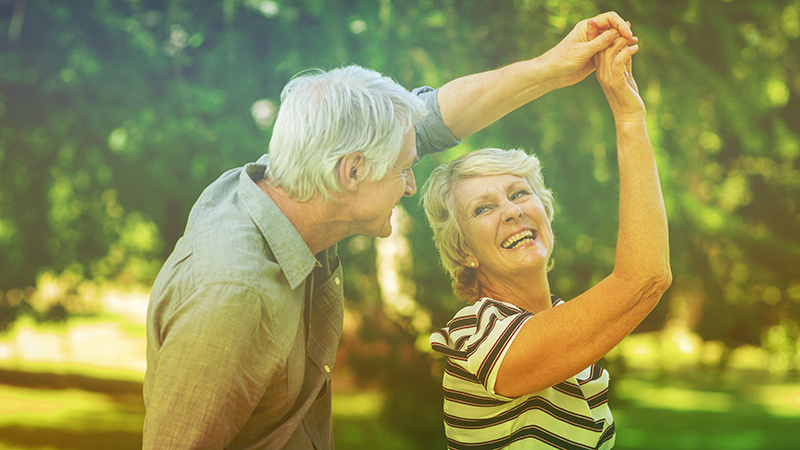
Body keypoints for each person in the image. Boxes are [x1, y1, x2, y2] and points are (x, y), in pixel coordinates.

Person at [143, 12, 637, 449]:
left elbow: (431, 120)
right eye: (403, 168)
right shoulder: (234, 294)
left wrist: (548, 67)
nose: (408, 186)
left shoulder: (292, 181)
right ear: (352, 172)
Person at [422, 34, 671, 449]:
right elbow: (645, 278)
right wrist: (629, 118)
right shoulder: (475, 333)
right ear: (464, 251)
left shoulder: (566, 328)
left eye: (519, 194)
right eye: (483, 209)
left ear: (546, 212)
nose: (511, 210)